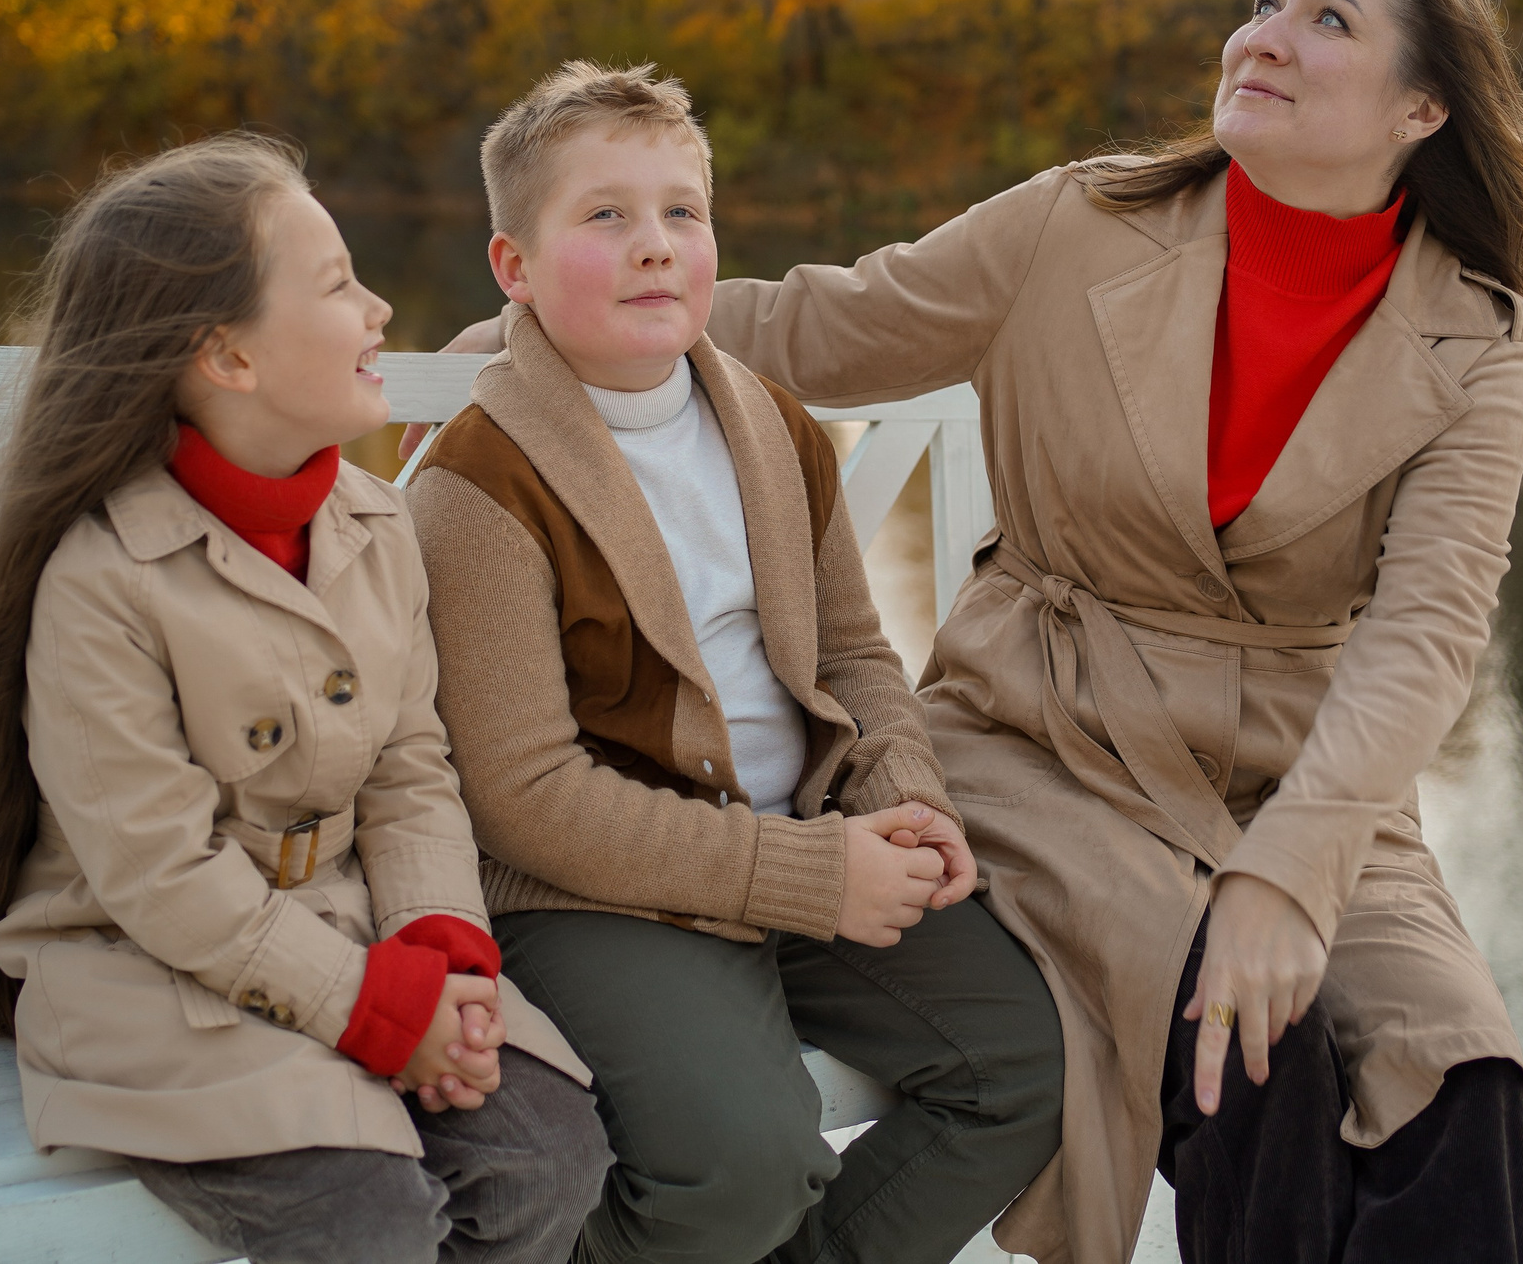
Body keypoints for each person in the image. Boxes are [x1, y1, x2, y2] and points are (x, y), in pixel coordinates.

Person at [415, 0, 1523, 1262]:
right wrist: (547, 318)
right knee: (1242, 1036)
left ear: (1423, 104)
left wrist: (1291, 870)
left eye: (1329, 18)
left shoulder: (1478, 333)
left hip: (1304, 771)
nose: (1265, 32)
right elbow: (817, 323)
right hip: (1052, 737)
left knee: (1459, 1071)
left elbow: (1428, 628)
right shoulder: (1084, 220)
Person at [403, 63, 1066, 1264]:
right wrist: (809, 876)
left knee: (1021, 1067)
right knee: (741, 1165)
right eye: (604, 216)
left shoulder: (771, 423)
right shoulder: (479, 482)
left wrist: (901, 799)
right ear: (515, 269)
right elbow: (525, 798)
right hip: (599, 889)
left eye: (681, 212)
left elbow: (855, 652)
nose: (654, 245)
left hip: (809, 837)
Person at [0, 134, 612, 1264]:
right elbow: (160, 875)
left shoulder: (378, 527)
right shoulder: (105, 578)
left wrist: (442, 954)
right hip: (150, 968)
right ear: (226, 356)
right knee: (367, 1221)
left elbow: (409, 769)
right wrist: (373, 1009)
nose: (381, 309)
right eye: (338, 284)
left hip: (359, 931)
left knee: (549, 1155)